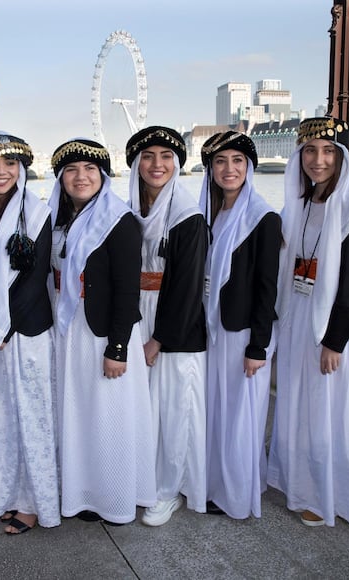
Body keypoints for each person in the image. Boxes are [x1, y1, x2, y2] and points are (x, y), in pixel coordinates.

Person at [267, 116, 349, 529]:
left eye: (328, 151)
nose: (319, 160)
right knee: (300, 406)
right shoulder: (297, 205)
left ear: (342, 157)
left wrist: (334, 341)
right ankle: (298, 482)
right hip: (300, 318)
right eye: (310, 151)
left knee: (330, 415)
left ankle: (328, 496)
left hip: (337, 332)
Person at [49, 138, 156, 525]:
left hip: (104, 333)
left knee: (109, 416)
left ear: (103, 176)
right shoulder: (59, 219)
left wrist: (118, 347)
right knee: (81, 415)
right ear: (61, 178)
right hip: (71, 328)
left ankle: (114, 496)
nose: (81, 177)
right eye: (72, 170)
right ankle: (85, 492)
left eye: (90, 169)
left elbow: (129, 289)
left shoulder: (119, 219)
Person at [0, 132, 60, 535]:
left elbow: (34, 281)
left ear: (21, 169)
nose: (0, 172)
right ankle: (2, 493)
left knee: (31, 417)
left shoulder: (36, 214)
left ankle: (35, 501)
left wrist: (2, 328)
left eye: (8, 164)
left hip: (25, 332)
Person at [125, 127, 209, 526]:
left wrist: (158, 339)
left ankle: (168, 489)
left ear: (177, 163)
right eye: (147, 156)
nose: (156, 164)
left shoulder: (187, 216)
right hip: (139, 315)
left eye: (166, 156)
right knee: (145, 409)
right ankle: (143, 477)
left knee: (174, 409)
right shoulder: (132, 210)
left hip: (174, 327)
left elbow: (189, 287)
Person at [199, 131, 281, 519]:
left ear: (249, 167)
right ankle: (215, 483)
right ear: (210, 170)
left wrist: (258, 347)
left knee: (240, 417)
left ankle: (237, 495)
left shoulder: (262, 218)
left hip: (244, 333)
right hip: (215, 328)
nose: (228, 169)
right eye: (220, 162)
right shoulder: (213, 214)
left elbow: (269, 288)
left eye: (236, 161)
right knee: (217, 411)